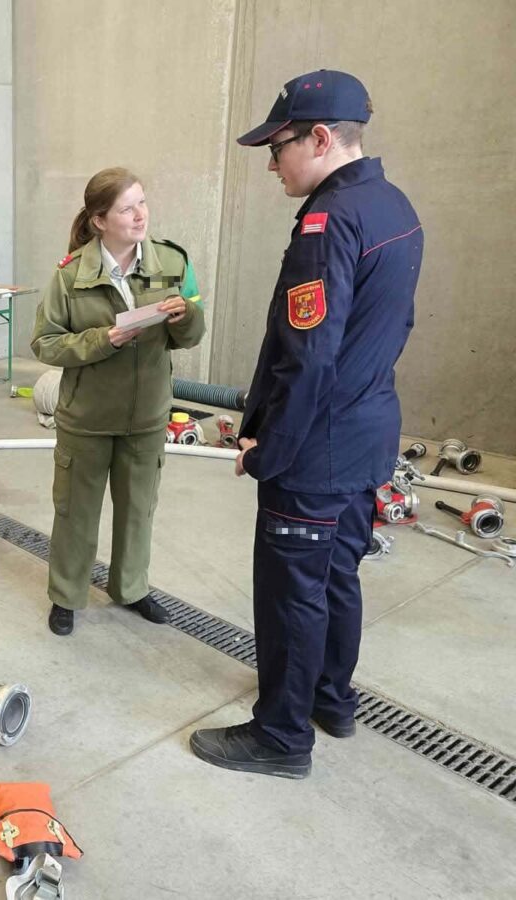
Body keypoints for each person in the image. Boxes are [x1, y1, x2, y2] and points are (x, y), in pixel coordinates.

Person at [189, 70, 423, 779]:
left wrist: (269, 449)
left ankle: (281, 735)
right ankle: (330, 698)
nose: (271, 163)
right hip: (365, 435)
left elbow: (309, 355)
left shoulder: (330, 222)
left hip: (317, 448)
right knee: (336, 576)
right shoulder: (394, 206)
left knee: (293, 592)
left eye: (279, 145)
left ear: (321, 139)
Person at [31, 167, 205, 636]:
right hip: (86, 418)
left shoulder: (172, 264)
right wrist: (102, 339)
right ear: (99, 220)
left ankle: (131, 588)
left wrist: (185, 315)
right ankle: (66, 595)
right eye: (127, 208)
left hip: (147, 416)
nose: (140, 215)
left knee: (138, 511)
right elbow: (45, 344)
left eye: (143, 203)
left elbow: (192, 335)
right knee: (75, 513)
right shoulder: (70, 276)